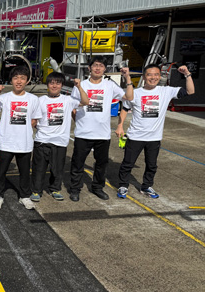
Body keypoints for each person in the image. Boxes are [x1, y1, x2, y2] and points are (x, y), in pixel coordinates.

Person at [115, 64, 195, 199]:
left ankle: (146, 186)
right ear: (144, 77)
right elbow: (124, 108)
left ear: (160, 76)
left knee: (152, 165)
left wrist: (187, 74)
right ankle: (123, 185)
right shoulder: (135, 93)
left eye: (156, 74)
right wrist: (120, 126)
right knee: (127, 163)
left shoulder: (166, 91)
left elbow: (190, 91)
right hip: (135, 136)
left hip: (154, 137)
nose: (153, 77)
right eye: (150, 74)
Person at [68, 57, 134, 201]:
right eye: (95, 65)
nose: (98, 68)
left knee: (101, 164)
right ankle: (75, 189)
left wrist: (127, 77)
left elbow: (129, 97)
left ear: (105, 69)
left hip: (102, 134)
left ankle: (97, 187)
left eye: (101, 66)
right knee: (77, 163)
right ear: (89, 68)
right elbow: (73, 107)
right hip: (83, 133)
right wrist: (79, 122)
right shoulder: (81, 85)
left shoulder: (110, 85)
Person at [30, 73, 89, 202]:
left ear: (62, 85)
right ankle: (36, 191)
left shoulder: (68, 100)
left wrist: (79, 87)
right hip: (42, 140)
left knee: (57, 169)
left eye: (58, 83)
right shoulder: (40, 100)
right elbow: (33, 119)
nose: (54, 86)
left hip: (60, 141)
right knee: (38, 169)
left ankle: (55, 189)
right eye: (51, 83)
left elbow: (86, 101)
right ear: (47, 85)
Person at [0, 65, 41, 210]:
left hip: (24, 143)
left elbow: (35, 119)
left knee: (24, 173)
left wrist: (23, 130)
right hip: (6, 142)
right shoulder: (4, 98)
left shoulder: (33, 99)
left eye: (22, 78)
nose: (19, 81)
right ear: (11, 80)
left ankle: (24, 196)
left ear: (27, 81)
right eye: (16, 78)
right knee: (1, 172)